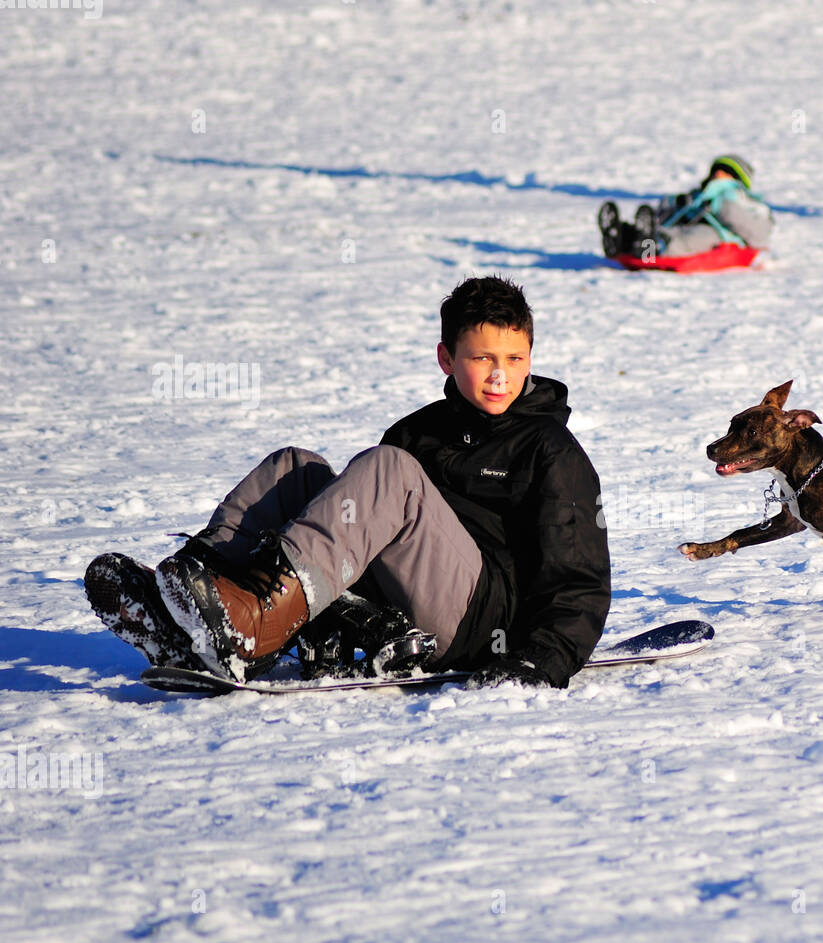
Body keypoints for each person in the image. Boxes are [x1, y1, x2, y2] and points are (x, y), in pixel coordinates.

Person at [84, 276, 611, 689]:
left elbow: (579, 579)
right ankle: (196, 604)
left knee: (389, 471)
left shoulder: (550, 449)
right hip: (409, 608)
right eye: (482, 358)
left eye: (514, 359)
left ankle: (253, 625)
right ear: (446, 359)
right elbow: (361, 539)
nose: (500, 375)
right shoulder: (415, 433)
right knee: (296, 468)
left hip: (484, 622)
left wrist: (543, 661)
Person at [598, 155, 774, 259]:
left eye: (726, 173)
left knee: (688, 239)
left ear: (738, 180)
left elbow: (759, 230)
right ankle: (623, 236)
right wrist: (677, 203)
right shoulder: (698, 193)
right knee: (665, 229)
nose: (718, 175)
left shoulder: (741, 198)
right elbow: (664, 209)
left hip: (719, 233)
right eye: (716, 171)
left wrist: (721, 207)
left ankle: (653, 247)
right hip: (685, 222)